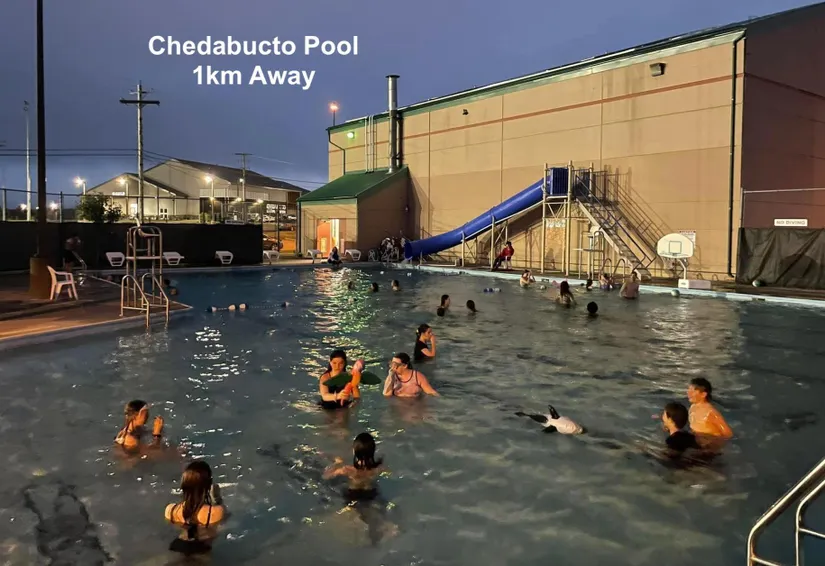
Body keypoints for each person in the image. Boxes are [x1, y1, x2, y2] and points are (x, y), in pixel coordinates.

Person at [323, 433, 397, 545]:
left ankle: (368, 538)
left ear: (354, 451)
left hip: (353, 495)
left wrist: (336, 463)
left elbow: (326, 476)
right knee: (374, 516)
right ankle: (376, 538)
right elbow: (389, 472)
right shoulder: (377, 469)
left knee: (362, 516)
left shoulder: (349, 470)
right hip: (371, 494)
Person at [165, 460, 226, 555]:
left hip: (177, 546)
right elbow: (225, 522)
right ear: (208, 484)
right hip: (202, 549)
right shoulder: (215, 512)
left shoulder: (170, 510)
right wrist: (217, 498)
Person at [515, 405, 584, 434]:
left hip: (553, 419)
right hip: (550, 421)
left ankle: (525, 414)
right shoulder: (555, 427)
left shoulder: (557, 422)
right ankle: (525, 414)